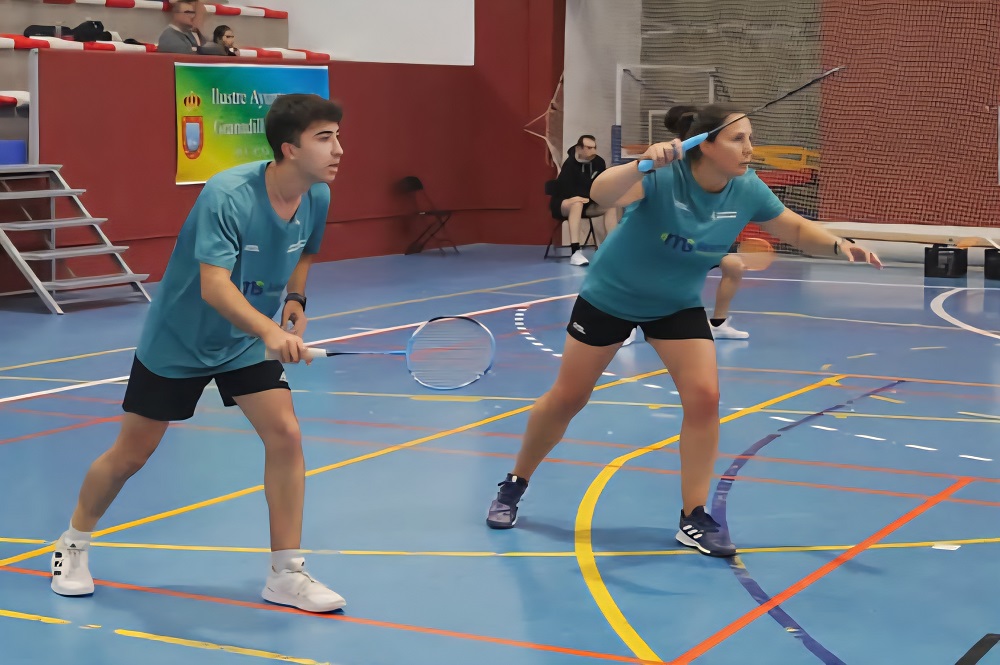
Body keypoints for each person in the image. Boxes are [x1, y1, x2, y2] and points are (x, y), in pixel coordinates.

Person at [486, 103, 881, 556]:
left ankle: (694, 516)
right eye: (738, 139)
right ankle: (514, 483)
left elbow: (793, 227)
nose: (750, 148)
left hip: (675, 304)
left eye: (750, 139)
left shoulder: (746, 187)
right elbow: (601, 192)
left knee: (705, 398)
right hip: (611, 296)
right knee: (569, 397)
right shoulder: (664, 175)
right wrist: (642, 163)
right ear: (705, 145)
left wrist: (839, 245)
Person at [49, 94, 348, 612]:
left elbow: (306, 250)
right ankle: (72, 544)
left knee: (285, 434)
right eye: (325, 138)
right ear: (289, 148)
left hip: (242, 342)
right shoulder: (227, 195)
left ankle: (286, 573)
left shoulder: (316, 194)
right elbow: (213, 286)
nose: (338, 149)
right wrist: (271, 332)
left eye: (338, 136)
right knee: (130, 456)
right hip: (180, 339)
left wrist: (296, 298)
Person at [550, 135, 615, 266]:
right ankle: (575, 252)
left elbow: (600, 185)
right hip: (564, 203)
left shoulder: (599, 163)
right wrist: (575, 198)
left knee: (610, 205)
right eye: (589, 148)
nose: (593, 151)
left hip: (587, 203)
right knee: (577, 203)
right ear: (579, 148)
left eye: (594, 147)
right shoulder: (569, 164)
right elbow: (563, 190)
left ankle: (611, 247)